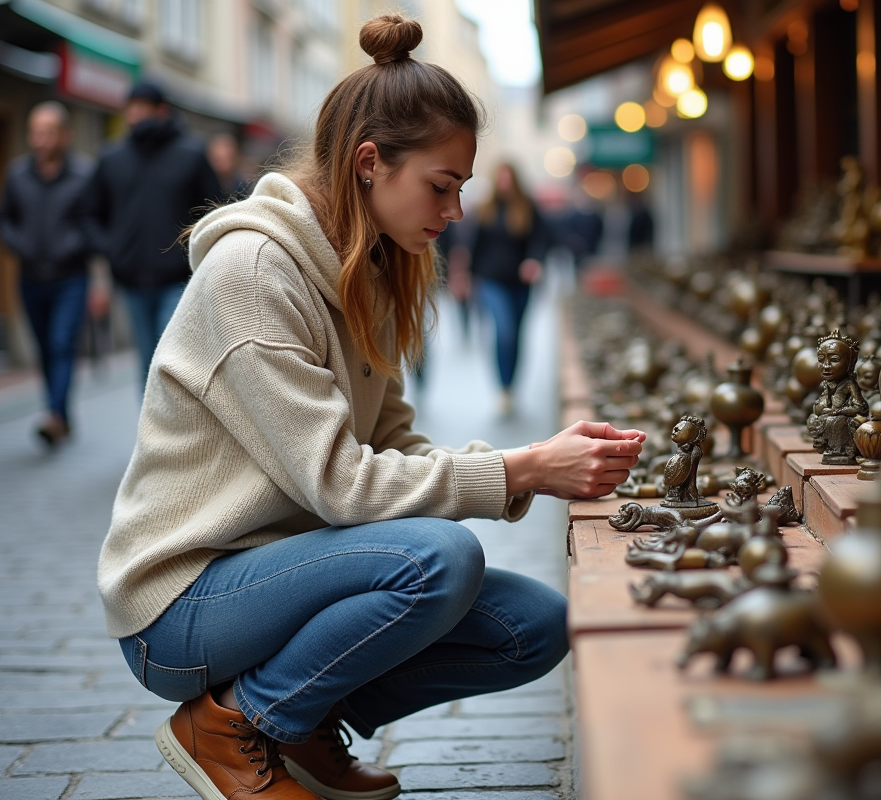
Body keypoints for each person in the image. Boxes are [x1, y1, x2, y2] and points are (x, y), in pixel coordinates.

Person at [96, 14, 644, 800]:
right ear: (367, 163)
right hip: (182, 607)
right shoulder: (253, 274)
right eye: (442, 186)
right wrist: (521, 466)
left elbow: (393, 443)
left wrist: (532, 468)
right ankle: (231, 722)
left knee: (536, 627)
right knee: (437, 559)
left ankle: (298, 719)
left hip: (288, 580)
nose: (454, 212)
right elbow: (344, 487)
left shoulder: (371, 271)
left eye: (462, 190)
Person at [84, 79, 223, 386]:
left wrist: (193, 254)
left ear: (162, 110)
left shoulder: (191, 154)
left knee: (171, 359)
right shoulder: (111, 158)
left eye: (142, 108)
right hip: (132, 282)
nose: (135, 115)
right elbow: (90, 215)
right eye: (131, 108)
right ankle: (150, 433)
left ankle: (179, 430)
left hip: (178, 279)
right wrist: (112, 249)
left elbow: (216, 210)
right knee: (147, 363)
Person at [0, 101, 93, 446]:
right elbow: (4, 217)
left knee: (61, 343)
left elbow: (93, 223)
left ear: (65, 135)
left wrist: (74, 245)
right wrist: (17, 244)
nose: (40, 140)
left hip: (71, 276)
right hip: (30, 276)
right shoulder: (18, 174)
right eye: (35, 132)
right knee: (44, 348)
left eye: (47, 132)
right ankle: (62, 415)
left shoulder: (83, 175)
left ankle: (52, 415)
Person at [464, 162, 548, 416]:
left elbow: (541, 240)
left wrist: (535, 260)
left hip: (520, 284)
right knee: (505, 332)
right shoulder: (485, 210)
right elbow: (474, 245)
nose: (504, 183)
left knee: (518, 336)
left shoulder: (527, 208)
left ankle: (512, 387)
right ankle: (502, 388)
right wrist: (467, 277)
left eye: (508, 178)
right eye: (500, 178)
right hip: (491, 281)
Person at [207, 132, 250, 199]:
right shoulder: (201, 186)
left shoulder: (242, 188)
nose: (222, 164)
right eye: (218, 159)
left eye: (228, 158)